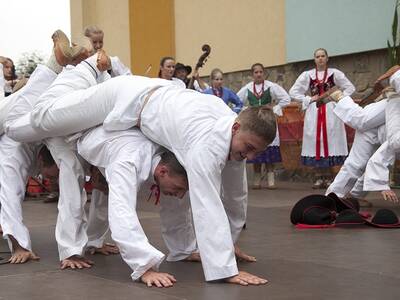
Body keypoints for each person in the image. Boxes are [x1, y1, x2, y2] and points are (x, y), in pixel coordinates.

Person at [6, 73, 275, 286]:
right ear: (236, 127)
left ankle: (181, 248)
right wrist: (146, 266)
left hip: (135, 115)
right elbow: (207, 205)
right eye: (248, 148)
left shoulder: (234, 132)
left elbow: (235, 195)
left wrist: (226, 242)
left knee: (182, 188)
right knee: (41, 120)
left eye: (255, 153)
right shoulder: (204, 146)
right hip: (125, 96)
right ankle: (54, 74)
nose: (248, 157)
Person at [77, 126, 187, 287]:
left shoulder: (165, 156)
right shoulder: (128, 162)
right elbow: (121, 212)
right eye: (178, 188)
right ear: (162, 171)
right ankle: (71, 248)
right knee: (111, 195)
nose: (179, 194)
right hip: (85, 138)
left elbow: (176, 208)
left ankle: (93, 240)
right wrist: (144, 266)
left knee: (108, 190)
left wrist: (185, 250)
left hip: (120, 140)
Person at [289, 48, 355, 189]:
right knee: (315, 140)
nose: (320, 58)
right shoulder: (308, 75)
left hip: (331, 111)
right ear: (314, 59)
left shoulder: (335, 73)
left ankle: (332, 179)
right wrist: (308, 98)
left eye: (322, 56)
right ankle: (319, 177)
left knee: (332, 141)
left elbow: (350, 88)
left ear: (327, 58)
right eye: (317, 56)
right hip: (314, 111)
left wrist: (338, 98)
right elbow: (293, 91)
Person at [237, 63, 290, 189]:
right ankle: (256, 180)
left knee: (269, 150)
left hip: (268, 121)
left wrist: (275, 109)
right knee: (255, 150)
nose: (259, 74)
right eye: (256, 72)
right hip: (254, 123)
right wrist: (247, 110)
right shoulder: (248, 88)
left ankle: (271, 180)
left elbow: (286, 99)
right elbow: (237, 101)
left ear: (264, 73)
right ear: (252, 74)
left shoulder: (271, 86)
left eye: (261, 72)